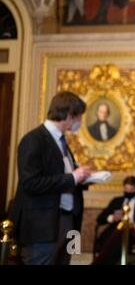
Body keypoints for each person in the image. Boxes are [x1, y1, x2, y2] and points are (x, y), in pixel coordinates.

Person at [9, 91, 91, 265]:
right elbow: (30, 183)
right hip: (43, 226)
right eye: (79, 117)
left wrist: (82, 178)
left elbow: (63, 175)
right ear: (69, 115)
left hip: (67, 221)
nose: (80, 122)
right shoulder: (33, 139)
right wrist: (73, 178)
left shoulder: (62, 142)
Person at [93, 176, 135, 265]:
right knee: (110, 238)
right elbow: (100, 218)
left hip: (133, 233)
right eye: (126, 189)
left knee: (120, 240)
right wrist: (112, 217)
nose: (128, 192)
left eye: (131, 189)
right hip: (115, 231)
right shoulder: (117, 201)